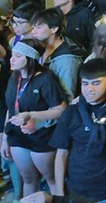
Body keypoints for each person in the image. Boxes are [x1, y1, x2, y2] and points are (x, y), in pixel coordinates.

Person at [50, 58, 106, 203]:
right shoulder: (73, 112)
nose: (89, 89)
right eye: (85, 84)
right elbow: (61, 154)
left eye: (96, 83)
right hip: (78, 190)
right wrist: (59, 193)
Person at [2, 39, 67, 197]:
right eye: (13, 55)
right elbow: (11, 109)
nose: (12, 59)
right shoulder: (14, 77)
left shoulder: (45, 79)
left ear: (30, 58)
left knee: (51, 179)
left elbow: (61, 109)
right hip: (17, 135)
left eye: (18, 56)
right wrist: (4, 137)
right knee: (28, 180)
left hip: (41, 136)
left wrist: (33, 116)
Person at [31, 8, 84, 100]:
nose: (33, 31)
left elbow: (67, 96)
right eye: (34, 27)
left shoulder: (67, 60)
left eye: (39, 27)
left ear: (54, 29)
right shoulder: (42, 48)